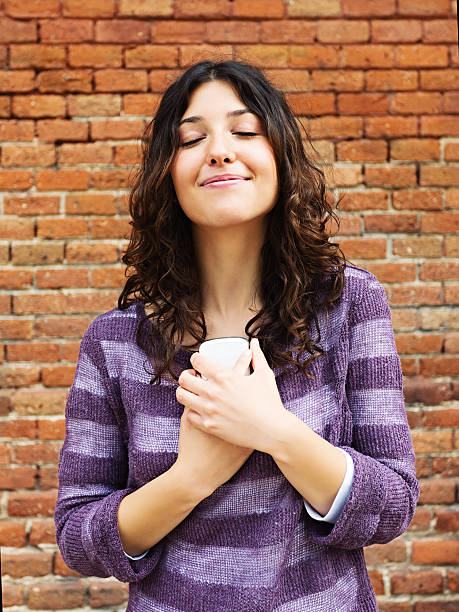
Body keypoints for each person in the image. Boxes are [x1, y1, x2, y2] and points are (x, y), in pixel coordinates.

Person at [54, 60, 419, 611]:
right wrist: (190, 479)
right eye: (192, 138)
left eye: (245, 131)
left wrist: (273, 431)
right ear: (167, 174)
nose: (220, 150)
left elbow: (392, 503)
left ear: (280, 157)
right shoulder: (114, 342)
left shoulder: (349, 307)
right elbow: (78, 535)